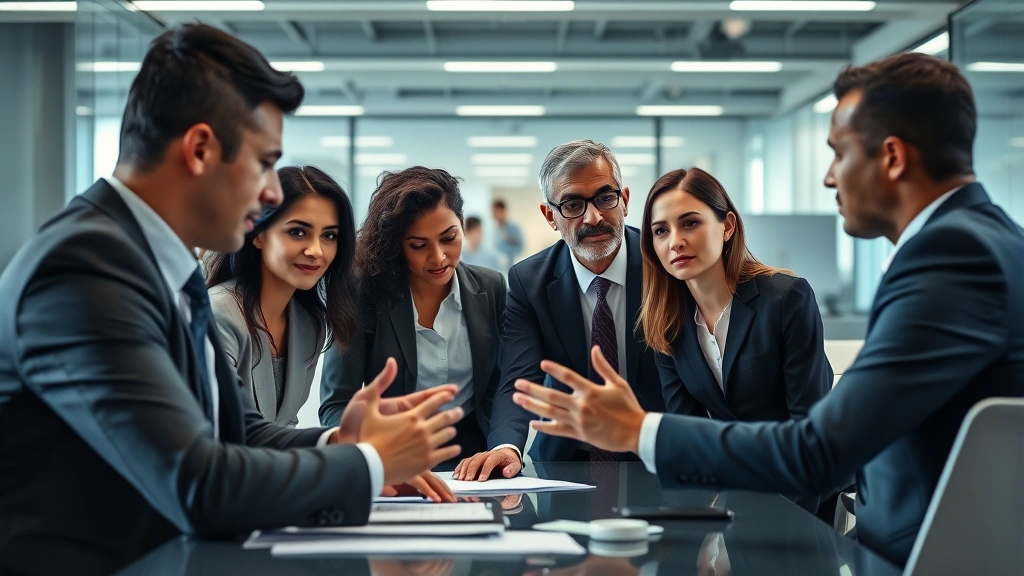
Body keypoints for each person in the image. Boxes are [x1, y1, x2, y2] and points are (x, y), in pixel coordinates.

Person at [508, 52, 1024, 568]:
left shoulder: (952, 255)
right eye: (661, 230)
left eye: (839, 154)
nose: (828, 177)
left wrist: (638, 430)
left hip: (928, 553)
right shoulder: (974, 241)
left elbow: (821, 448)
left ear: (891, 157)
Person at [0, 24, 462, 573]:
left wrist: (339, 440)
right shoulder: (84, 268)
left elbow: (237, 431)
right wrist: (367, 464)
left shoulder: (162, 265)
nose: (271, 192)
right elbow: (197, 484)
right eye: (264, 162)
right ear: (199, 149)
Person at [454, 140, 666, 481]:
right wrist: (506, 447)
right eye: (572, 204)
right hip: (565, 463)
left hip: (661, 454)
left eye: (605, 197)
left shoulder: (664, 266)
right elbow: (518, 380)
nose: (593, 217)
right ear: (550, 216)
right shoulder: (529, 282)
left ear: (624, 200)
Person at [640, 166, 834, 511]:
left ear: (727, 226)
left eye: (690, 223)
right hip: (735, 500)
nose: (675, 241)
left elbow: (811, 434)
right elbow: (689, 442)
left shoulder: (786, 298)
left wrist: (777, 523)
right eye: (660, 230)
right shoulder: (667, 323)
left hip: (805, 494)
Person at [320, 167, 506, 468]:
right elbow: (336, 405)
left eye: (449, 238)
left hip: (477, 454)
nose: (438, 257)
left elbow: (502, 389)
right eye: (418, 245)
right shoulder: (363, 295)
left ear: (461, 224)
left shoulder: (492, 288)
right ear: (396, 246)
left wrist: (503, 446)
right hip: (393, 451)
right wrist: (370, 449)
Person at [206, 166, 357, 427]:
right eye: (298, 232)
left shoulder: (310, 324)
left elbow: (285, 428)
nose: (316, 250)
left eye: (329, 236)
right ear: (258, 235)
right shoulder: (217, 314)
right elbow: (229, 431)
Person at [492, 199, 524, 265]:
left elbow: (521, 248)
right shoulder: (492, 230)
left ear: (504, 211)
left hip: (511, 265)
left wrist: (506, 254)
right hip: (495, 267)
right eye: (494, 212)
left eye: (498, 212)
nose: (495, 215)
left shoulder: (514, 229)